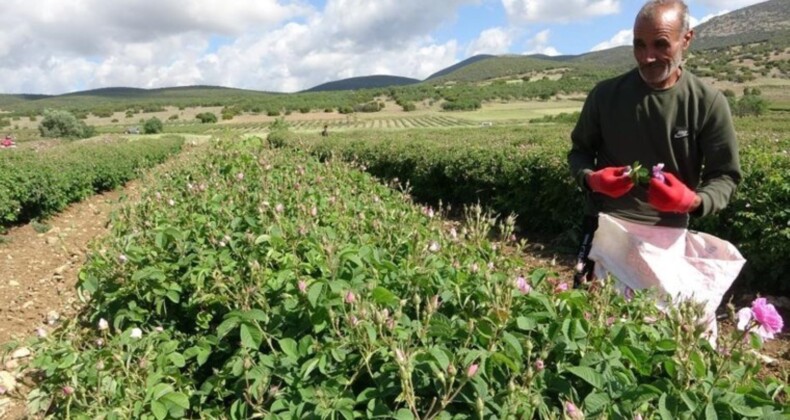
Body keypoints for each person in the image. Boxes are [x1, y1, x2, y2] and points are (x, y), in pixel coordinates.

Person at [568, 0, 742, 288]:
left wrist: (693, 201)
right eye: (639, 44)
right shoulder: (605, 96)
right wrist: (592, 181)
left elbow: (725, 175)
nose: (647, 57)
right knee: (589, 320)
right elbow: (580, 153)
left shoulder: (707, 103)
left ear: (686, 39)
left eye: (661, 44)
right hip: (605, 228)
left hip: (666, 237)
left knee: (655, 325)